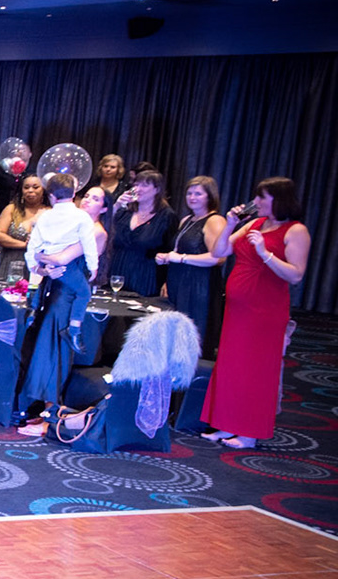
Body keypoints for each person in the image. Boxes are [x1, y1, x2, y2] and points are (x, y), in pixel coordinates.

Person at [201, 177, 309, 449]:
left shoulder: (296, 231)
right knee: (231, 365)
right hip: (238, 309)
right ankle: (226, 424)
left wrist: (264, 252)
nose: (256, 202)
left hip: (265, 310)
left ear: (279, 199)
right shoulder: (255, 223)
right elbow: (220, 250)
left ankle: (249, 432)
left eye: (262, 197)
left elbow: (296, 275)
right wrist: (230, 225)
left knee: (256, 369)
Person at [15, 174, 103, 434]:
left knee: (54, 353)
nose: (88, 200)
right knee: (50, 352)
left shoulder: (55, 219)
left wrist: (41, 262)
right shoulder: (80, 219)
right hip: (57, 291)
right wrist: (44, 267)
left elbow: (50, 255)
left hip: (62, 293)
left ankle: (49, 416)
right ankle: (46, 415)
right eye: (86, 196)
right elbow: (49, 255)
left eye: (95, 198)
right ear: (74, 194)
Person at [156, 176, 227, 356]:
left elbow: (219, 258)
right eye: (189, 193)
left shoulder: (215, 220)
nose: (192, 197)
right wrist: (167, 259)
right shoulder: (186, 219)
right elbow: (177, 252)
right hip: (179, 280)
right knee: (175, 331)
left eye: (198, 194)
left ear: (210, 196)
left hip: (200, 284)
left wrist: (181, 258)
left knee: (194, 332)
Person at [109, 167, 174, 297]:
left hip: (146, 278)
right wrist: (116, 206)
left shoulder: (167, 216)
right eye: (136, 184)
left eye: (144, 185)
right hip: (116, 274)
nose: (138, 189)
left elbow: (171, 250)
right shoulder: (124, 212)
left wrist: (168, 281)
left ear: (157, 189)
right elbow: (103, 228)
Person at [0, 174, 47, 282]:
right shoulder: (12, 209)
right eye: (26, 187)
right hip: (9, 261)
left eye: (35, 187)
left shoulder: (50, 212)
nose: (30, 190)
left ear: (43, 189)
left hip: (38, 264)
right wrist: (24, 245)